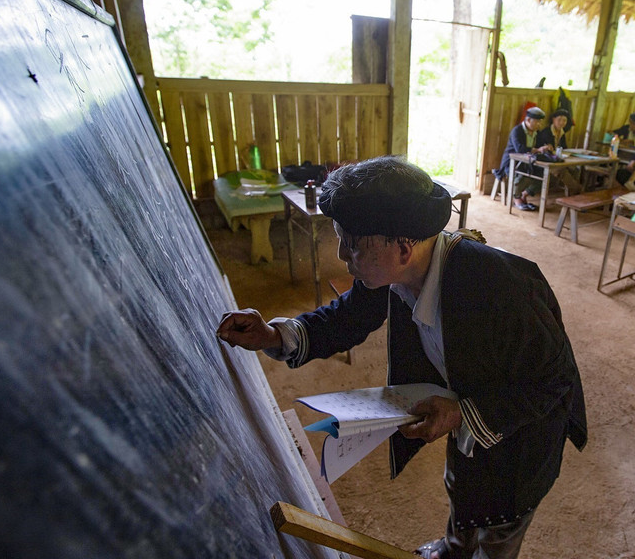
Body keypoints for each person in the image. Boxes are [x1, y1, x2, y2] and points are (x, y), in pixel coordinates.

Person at [216, 156, 587, 559]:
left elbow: (554, 380)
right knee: (462, 480)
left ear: (404, 249)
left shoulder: (503, 288)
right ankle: (453, 548)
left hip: (522, 431)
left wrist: (462, 413)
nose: (342, 254)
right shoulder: (395, 269)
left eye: (352, 243)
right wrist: (272, 334)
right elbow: (347, 318)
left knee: (500, 518)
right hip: (466, 398)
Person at [497, 106, 547, 211]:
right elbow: (520, 148)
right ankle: (517, 198)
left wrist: (545, 147)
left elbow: (540, 145)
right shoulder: (517, 131)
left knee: (543, 175)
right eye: (537, 122)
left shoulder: (536, 132)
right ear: (528, 120)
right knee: (522, 175)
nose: (539, 125)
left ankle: (524, 194)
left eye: (540, 122)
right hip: (511, 163)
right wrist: (537, 150)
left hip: (527, 162)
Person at [537, 109, 581, 193]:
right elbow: (547, 150)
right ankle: (576, 191)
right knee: (561, 171)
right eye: (559, 120)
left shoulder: (561, 132)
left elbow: (564, 147)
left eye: (564, 120)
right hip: (545, 160)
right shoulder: (546, 132)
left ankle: (570, 192)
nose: (562, 122)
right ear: (553, 120)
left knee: (575, 169)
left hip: (557, 159)